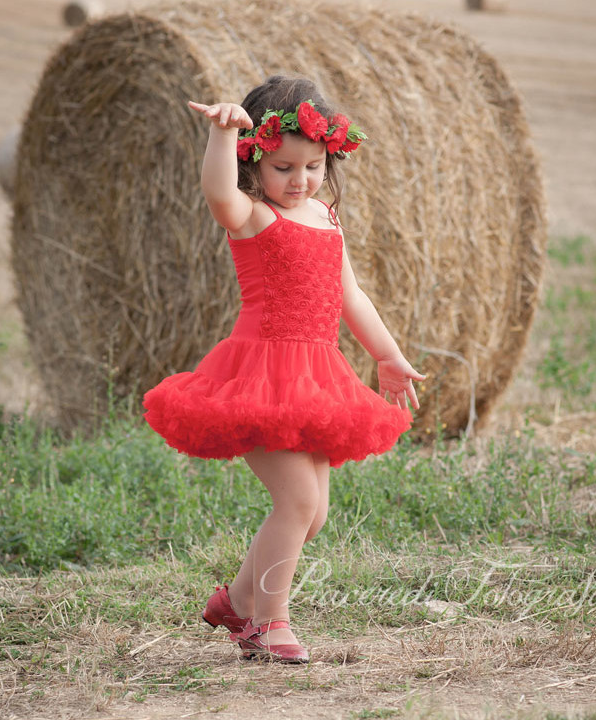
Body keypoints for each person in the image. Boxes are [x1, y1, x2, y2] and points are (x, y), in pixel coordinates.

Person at [143, 75, 425, 664]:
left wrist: (387, 355)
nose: (300, 181)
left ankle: (235, 602)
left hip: (316, 377)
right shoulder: (251, 216)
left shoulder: (326, 217)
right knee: (296, 502)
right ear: (255, 163)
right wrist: (223, 135)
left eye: (314, 166)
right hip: (259, 376)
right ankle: (267, 624)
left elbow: (351, 295)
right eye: (284, 169)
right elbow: (218, 193)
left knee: (314, 513)